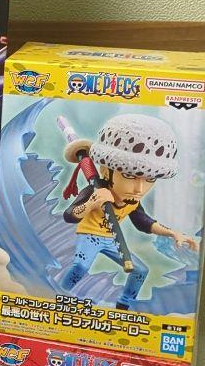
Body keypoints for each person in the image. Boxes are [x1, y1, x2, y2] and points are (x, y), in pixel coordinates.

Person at [60, 114, 199, 309]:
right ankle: (57, 295)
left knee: (140, 271)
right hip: (90, 236)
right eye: (128, 175)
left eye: (150, 179)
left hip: (112, 240)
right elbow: (69, 215)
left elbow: (144, 223)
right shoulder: (94, 191)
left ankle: (124, 305)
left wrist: (173, 233)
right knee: (80, 266)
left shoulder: (133, 201)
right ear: (106, 171)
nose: (139, 189)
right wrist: (92, 202)